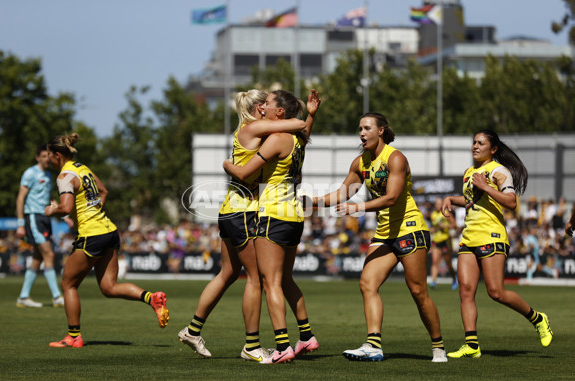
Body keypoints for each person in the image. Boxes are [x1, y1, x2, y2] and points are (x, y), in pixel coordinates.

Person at [178, 89, 319, 362]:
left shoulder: (259, 132)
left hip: (233, 208)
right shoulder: (255, 127)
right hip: (245, 210)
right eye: (264, 103)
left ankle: (192, 330)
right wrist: (307, 116)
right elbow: (298, 127)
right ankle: (252, 346)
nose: (266, 106)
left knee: (228, 274)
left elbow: (297, 138)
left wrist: (310, 116)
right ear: (258, 109)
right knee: (257, 279)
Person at [309, 112, 447, 363]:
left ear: (381, 131)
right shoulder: (360, 163)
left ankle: (438, 347)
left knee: (418, 291)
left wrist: (358, 208)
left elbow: (393, 197)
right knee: (367, 284)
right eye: (359, 128)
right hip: (384, 234)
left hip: (410, 229)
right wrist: (312, 203)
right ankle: (373, 344)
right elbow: (342, 193)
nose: (361, 133)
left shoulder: (395, 158)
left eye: (366, 128)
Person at [44, 133, 169, 348]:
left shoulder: (64, 176)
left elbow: (65, 207)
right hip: (109, 231)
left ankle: (74, 336)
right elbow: (103, 191)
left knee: (68, 284)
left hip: (92, 235)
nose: (48, 161)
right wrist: (88, 213)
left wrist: (52, 210)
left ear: (57, 155)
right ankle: (152, 298)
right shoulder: (82, 168)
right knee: (109, 287)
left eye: (49, 156)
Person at [223, 89, 320, 364]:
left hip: (273, 213)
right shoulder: (298, 140)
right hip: (294, 215)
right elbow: (303, 131)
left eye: (269, 103)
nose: (262, 106)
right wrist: (312, 115)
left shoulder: (276, 139)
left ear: (280, 113)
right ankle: (306, 336)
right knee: (286, 279)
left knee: (271, 283)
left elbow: (243, 173)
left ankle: (282, 346)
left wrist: (227, 165)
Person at [441, 129, 553, 359]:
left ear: (493, 149)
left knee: (496, 292)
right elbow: (472, 201)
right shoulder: (469, 173)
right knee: (465, 291)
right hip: (469, 236)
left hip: (491, 235)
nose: (475, 146)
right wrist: (450, 199)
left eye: (480, 143)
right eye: (473, 142)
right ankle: (471, 344)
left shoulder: (499, 171)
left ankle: (538, 318)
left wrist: (486, 186)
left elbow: (511, 202)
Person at [15, 144, 64, 308]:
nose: (47, 159)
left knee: (38, 257)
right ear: (37, 157)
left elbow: (51, 199)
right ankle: (57, 296)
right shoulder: (30, 173)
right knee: (49, 254)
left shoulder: (50, 175)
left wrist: (64, 215)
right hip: (33, 217)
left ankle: (23, 297)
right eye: (43, 156)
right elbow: (20, 198)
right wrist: (21, 224)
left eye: (48, 156)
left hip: (45, 218)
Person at [429, 197, 458, 290]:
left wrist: (445, 226)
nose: (437, 205)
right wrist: (431, 230)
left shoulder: (446, 213)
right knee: (434, 262)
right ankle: (433, 282)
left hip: (446, 240)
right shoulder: (433, 215)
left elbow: (454, 225)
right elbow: (434, 228)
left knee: (448, 263)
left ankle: (454, 279)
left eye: (439, 203)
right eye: (436, 203)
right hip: (436, 241)